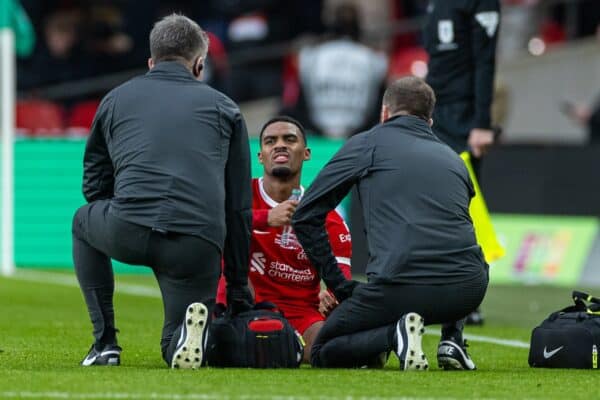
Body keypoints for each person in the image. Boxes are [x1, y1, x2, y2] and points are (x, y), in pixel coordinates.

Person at [72, 14, 253, 369]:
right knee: (174, 340)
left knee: (82, 223)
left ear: (151, 62)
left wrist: (120, 210)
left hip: (127, 226)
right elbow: (237, 207)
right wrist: (236, 285)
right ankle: (182, 339)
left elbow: (93, 182)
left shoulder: (115, 99)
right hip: (197, 242)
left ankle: (105, 343)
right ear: (200, 65)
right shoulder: (226, 108)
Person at [291, 77, 489, 370]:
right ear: (430, 121)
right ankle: (452, 341)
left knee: (322, 350)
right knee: (461, 243)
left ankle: (394, 335)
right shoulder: (454, 159)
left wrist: (340, 286)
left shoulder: (367, 143)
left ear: (384, 113)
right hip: (469, 291)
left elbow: (306, 214)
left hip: (401, 289)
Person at [216, 116, 352, 363]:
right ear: (260, 156)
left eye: (289, 139)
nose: (280, 145)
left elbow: (342, 278)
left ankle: (384, 340)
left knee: (335, 351)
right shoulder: (239, 198)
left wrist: (331, 296)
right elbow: (212, 226)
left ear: (307, 153)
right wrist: (264, 218)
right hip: (247, 304)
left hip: (302, 312)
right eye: (270, 141)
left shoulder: (328, 217)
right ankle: (216, 332)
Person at [423, 0, 501, 329]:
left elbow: (485, 59)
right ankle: (434, 289)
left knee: (467, 206)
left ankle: (472, 297)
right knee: (432, 202)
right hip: (436, 113)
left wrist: (482, 120)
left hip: (464, 117)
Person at [282, 3, 388, 139]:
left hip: (317, 134)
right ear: (358, 28)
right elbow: (380, 106)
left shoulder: (310, 56)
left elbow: (299, 102)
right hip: (359, 136)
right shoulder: (375, 59)